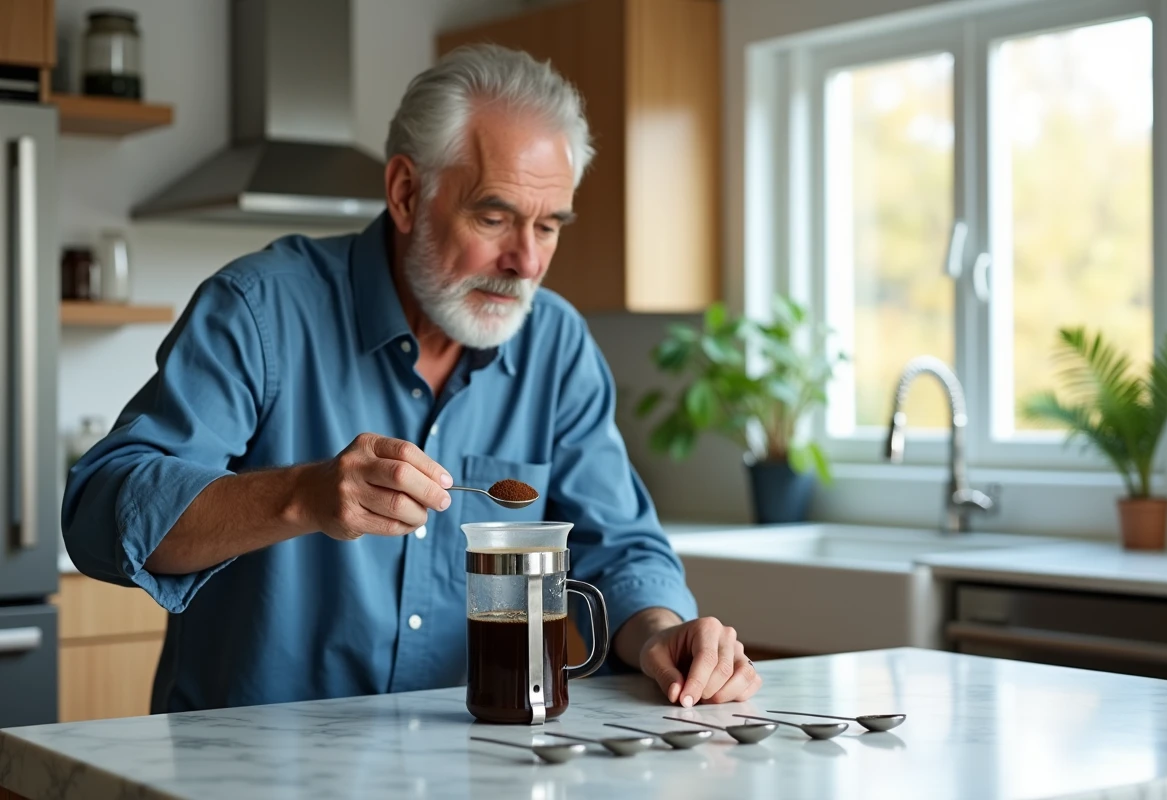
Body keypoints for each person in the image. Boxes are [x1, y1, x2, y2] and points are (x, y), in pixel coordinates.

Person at [62, 44, 761, 713]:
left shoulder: (557, 345)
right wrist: (301, 495)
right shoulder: (260, 311)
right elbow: (101, 511)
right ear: (405, 193)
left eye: (549, 226)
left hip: (468, 763)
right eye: (495, 216)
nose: (526, 260)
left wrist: (662, 632)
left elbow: (621, 546)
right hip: (254, 772)